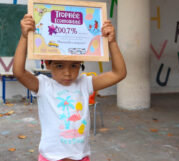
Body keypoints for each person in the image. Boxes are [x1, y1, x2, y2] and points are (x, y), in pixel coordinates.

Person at [13, 14, 127, 161]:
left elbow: (119, 73)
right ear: (47, 63)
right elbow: (18, 72)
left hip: (81, 157)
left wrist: (112, 42)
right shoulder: (42, 85)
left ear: (81, 63)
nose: (67, 73)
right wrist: (24, 37)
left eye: (74, 65)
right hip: (50, 158)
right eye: (59, 65)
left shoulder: (85, 83)